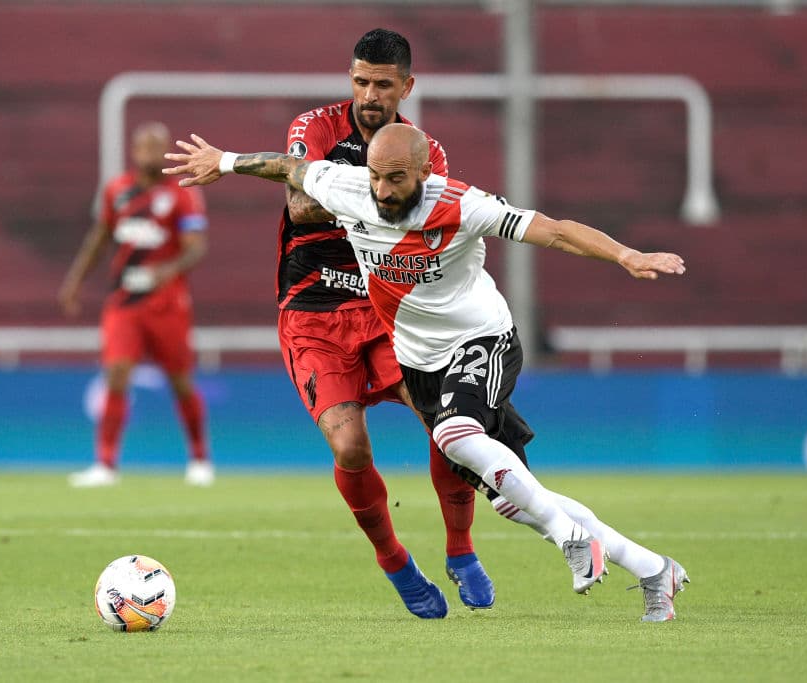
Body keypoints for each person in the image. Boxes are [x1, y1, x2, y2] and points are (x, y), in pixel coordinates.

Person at [163, 123, 691, 622]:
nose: (383, 190)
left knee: (453, 434)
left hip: (482, 343)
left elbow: (554, 231)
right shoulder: (346, 187)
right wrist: (225, 161)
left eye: (396, 178)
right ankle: (654, 570)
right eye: (375, 175)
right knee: (514, 497)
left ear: (423, 173)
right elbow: (286, 168)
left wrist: (626, 255)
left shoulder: (462, 204)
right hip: (420, 363)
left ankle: (570, 537)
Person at [257, 28, 507, 619]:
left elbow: (429, 223)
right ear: (351, 78)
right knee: (349, 447)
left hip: (388, 312)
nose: (370, 94)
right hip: (312, 310)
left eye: (383, 84)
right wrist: (386, 195)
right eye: (361, 80)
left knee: (448, 427)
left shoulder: (427, 150)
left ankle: (461, 548)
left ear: (406, 87)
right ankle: (394, 559)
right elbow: (299, 203)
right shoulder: (314, 127)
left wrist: (348, 192)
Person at [59, 121, 215, 488]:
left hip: (167, 303)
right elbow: (99, 238)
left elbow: (196, 247)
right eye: (142, 145)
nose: (148, 151)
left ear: (165, 151)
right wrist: (74, 282)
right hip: (124, 302)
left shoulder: (183, 192)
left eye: (155, 145)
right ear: (133, 150)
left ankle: (199, 458)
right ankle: (105, 464)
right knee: (116, 375)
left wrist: (168, 270)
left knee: (180, 381)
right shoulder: (117, 191)